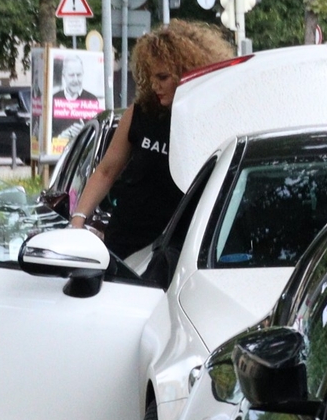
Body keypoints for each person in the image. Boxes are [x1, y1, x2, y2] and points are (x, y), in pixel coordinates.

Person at [73, 20, 234, 258]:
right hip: (124, 244)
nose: (155, 85)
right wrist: (78, 219)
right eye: (150, 77)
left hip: (180, 250)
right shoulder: (140, 112)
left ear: (188, 73)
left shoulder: (211, 121)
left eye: (163, 77)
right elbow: (106, 170)